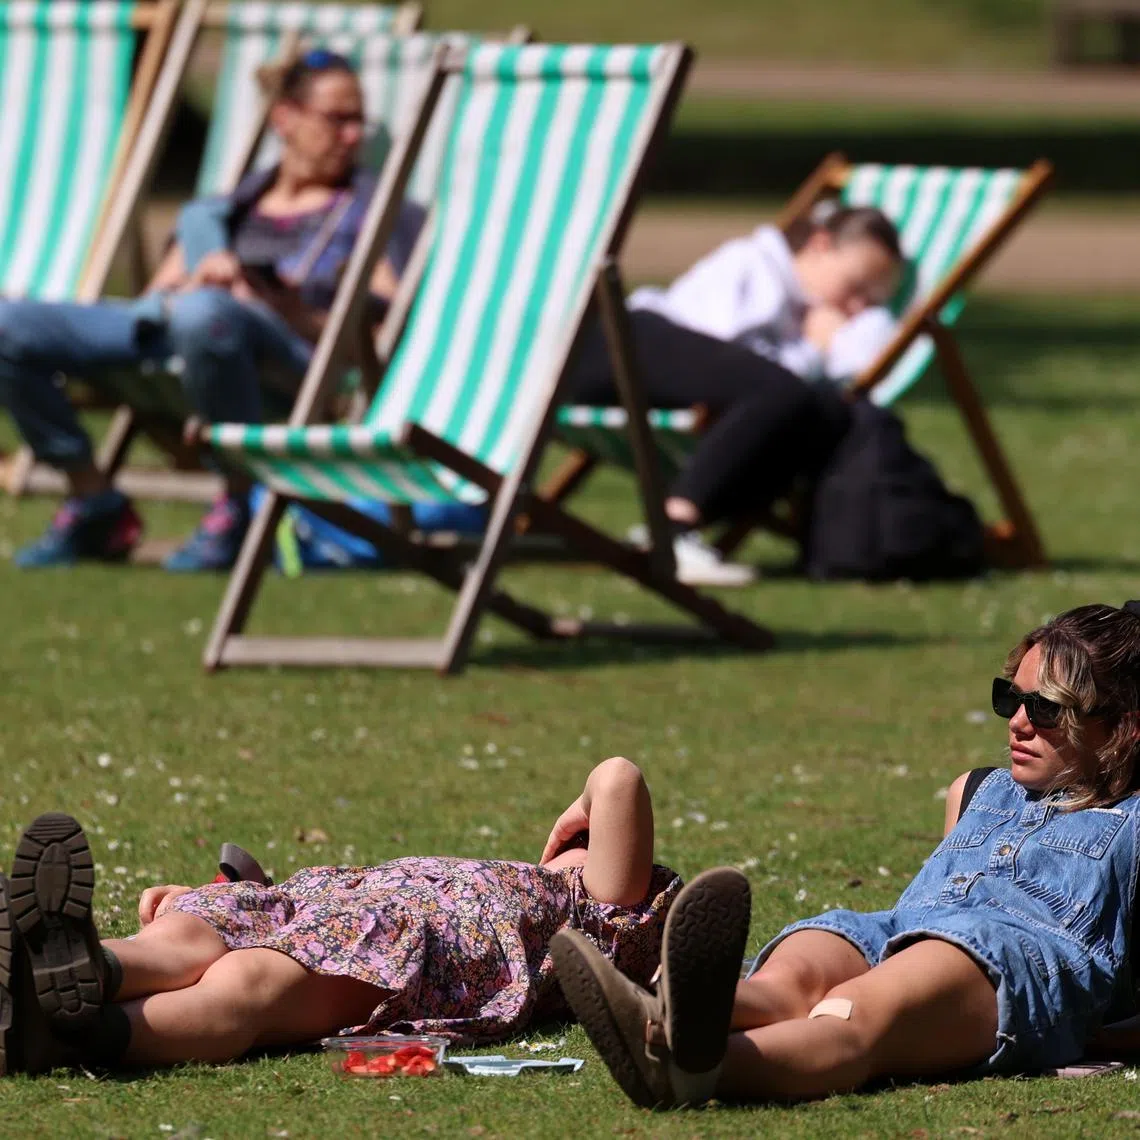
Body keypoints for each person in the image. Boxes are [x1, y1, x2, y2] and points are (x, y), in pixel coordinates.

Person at [553, 602, 1140, 1107]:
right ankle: (672, 1011)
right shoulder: (975, 790)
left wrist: (1094, 1030)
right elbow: (935, 900)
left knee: (852, 1011)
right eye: (1010, 699)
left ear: (1123, 727)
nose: (1018, 723)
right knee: (798, 969)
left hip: (1013, 965)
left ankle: (688, 1069)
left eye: (1047, 709)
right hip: (899, 929)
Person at [1, 49, 424, 573]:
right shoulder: (222, 212)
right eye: (337, 119)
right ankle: (92, 497)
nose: (353, 135)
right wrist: (196, 279)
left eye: (360, 121)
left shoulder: (374, 214)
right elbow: (158, 294)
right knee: (9, 324)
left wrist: (286, 309)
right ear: (285, 119)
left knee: (207, 313)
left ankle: (237, 503)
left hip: (289, 360)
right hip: (176, 331)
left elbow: (384, 339)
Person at [0, 757, 680, 1074]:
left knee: (249, 983)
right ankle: (70, 969)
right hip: (326, 897)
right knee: (194, 932)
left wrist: (578, 810)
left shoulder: (603, 917)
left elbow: (619, 777)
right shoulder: (560, 890)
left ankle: (71, 1031)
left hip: (418, 943)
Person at [562, 206, 903, 587]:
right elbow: (726, 357)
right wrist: (813, 350)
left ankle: (673, 533)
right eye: (855, 286)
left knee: (820, 412)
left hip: (651, 373)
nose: (857, 306)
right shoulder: (754, 265)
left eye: (870, 299)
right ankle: (670, 531)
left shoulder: (801, 309)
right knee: (782, 393)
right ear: (820, 245)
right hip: (619, 347)